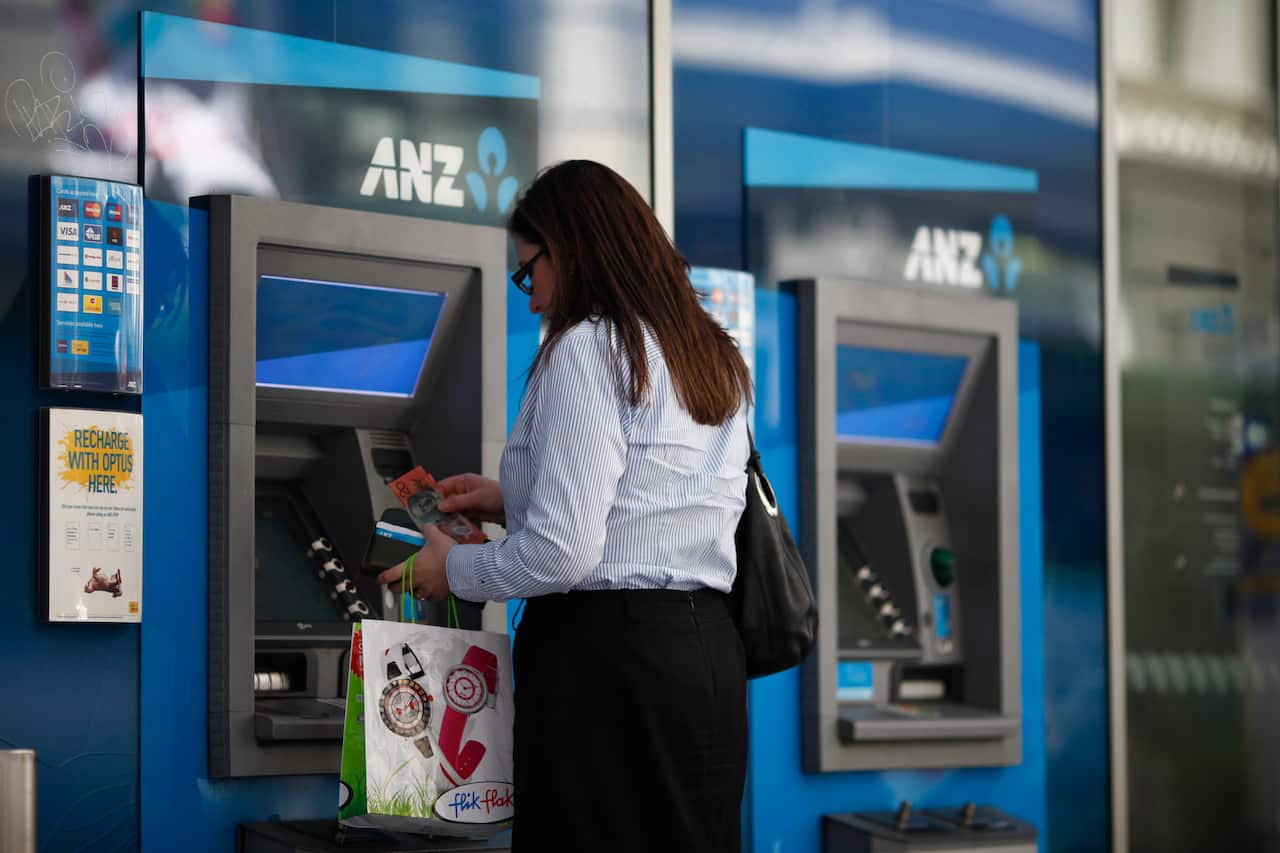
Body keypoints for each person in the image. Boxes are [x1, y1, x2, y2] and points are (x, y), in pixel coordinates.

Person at [378, 159, 752, 852]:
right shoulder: (709, 351)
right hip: (703, 656)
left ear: (570, 250)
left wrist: (452, 569)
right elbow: (657, 496)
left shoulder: (589, 346)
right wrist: (509, 497)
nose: (532, 301)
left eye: (529, 273)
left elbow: (564, 552)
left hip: (607, 663)